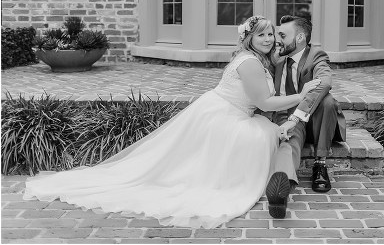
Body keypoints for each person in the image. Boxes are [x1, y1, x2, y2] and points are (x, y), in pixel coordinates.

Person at [23, 15, 320, 229]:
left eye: (272, 34)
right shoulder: (252, 63)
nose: (269, 39)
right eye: (263, 35)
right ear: (249, 40)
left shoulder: (257, 58)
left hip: (223, 110)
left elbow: (275, 67)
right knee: (261, 137)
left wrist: (285, 53)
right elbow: (266, 103)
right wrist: (302, 94)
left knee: (264, 134)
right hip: (224, 116)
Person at [264, 15, 346, 219]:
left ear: (300, 37)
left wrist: (297, 116)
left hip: (314, 119)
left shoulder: (316, 55)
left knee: (327, 100)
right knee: (288, 141)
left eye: (282, 35)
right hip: (287, 116)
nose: (276, 39)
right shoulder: (277, 56)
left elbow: (324, 82)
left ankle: (320, 163)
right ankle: (280, 187)